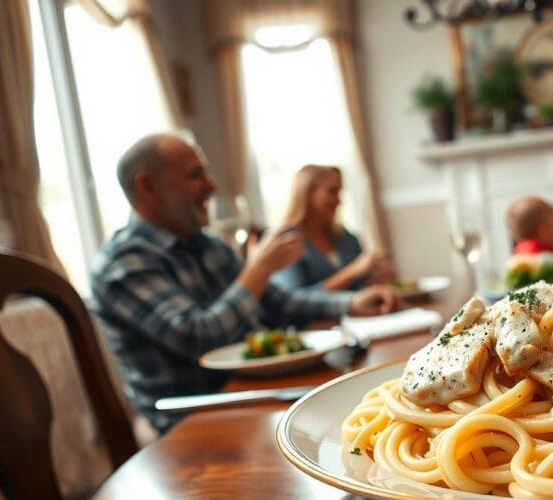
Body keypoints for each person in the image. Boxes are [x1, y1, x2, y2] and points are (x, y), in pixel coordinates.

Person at [91, 133, 401, 432]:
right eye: (195, 175)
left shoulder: (207, 244)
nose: (212, 185)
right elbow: (198, 336)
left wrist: (351, 302)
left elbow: (280, 303)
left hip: (254, 391)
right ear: (147, 186)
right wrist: (259, 269)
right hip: (191, 419)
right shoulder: (123, 263)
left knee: (363, 402)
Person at [271, 165, 396, 291]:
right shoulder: (286, 241)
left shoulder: (345, 237)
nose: (339, 200)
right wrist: (353, 270)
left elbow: (359, 288)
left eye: (340, 192)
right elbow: (293, 298)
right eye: (332, 191)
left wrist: (378, 277)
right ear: (308, 193)